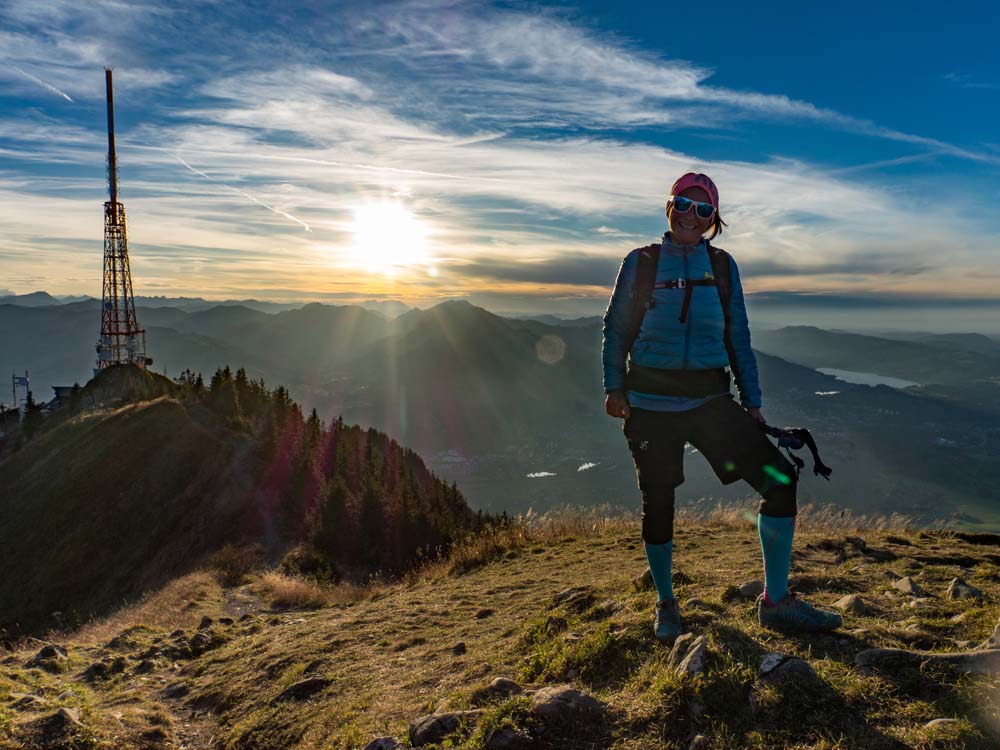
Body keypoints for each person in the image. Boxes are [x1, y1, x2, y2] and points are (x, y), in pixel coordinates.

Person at [601, 172, 842, 640]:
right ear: (668, 206)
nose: (693, 215)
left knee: (779, 479)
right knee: (659, 499)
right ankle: (666, 603)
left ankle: (775, 602)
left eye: (704, 209)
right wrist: (614, 388)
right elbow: (615, 328)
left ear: (715, 218)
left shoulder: (724, 267)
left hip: (712, 401)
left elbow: (738, 336)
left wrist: (752, 402)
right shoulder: (641, 263)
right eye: (684, 204)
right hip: (650, 403)